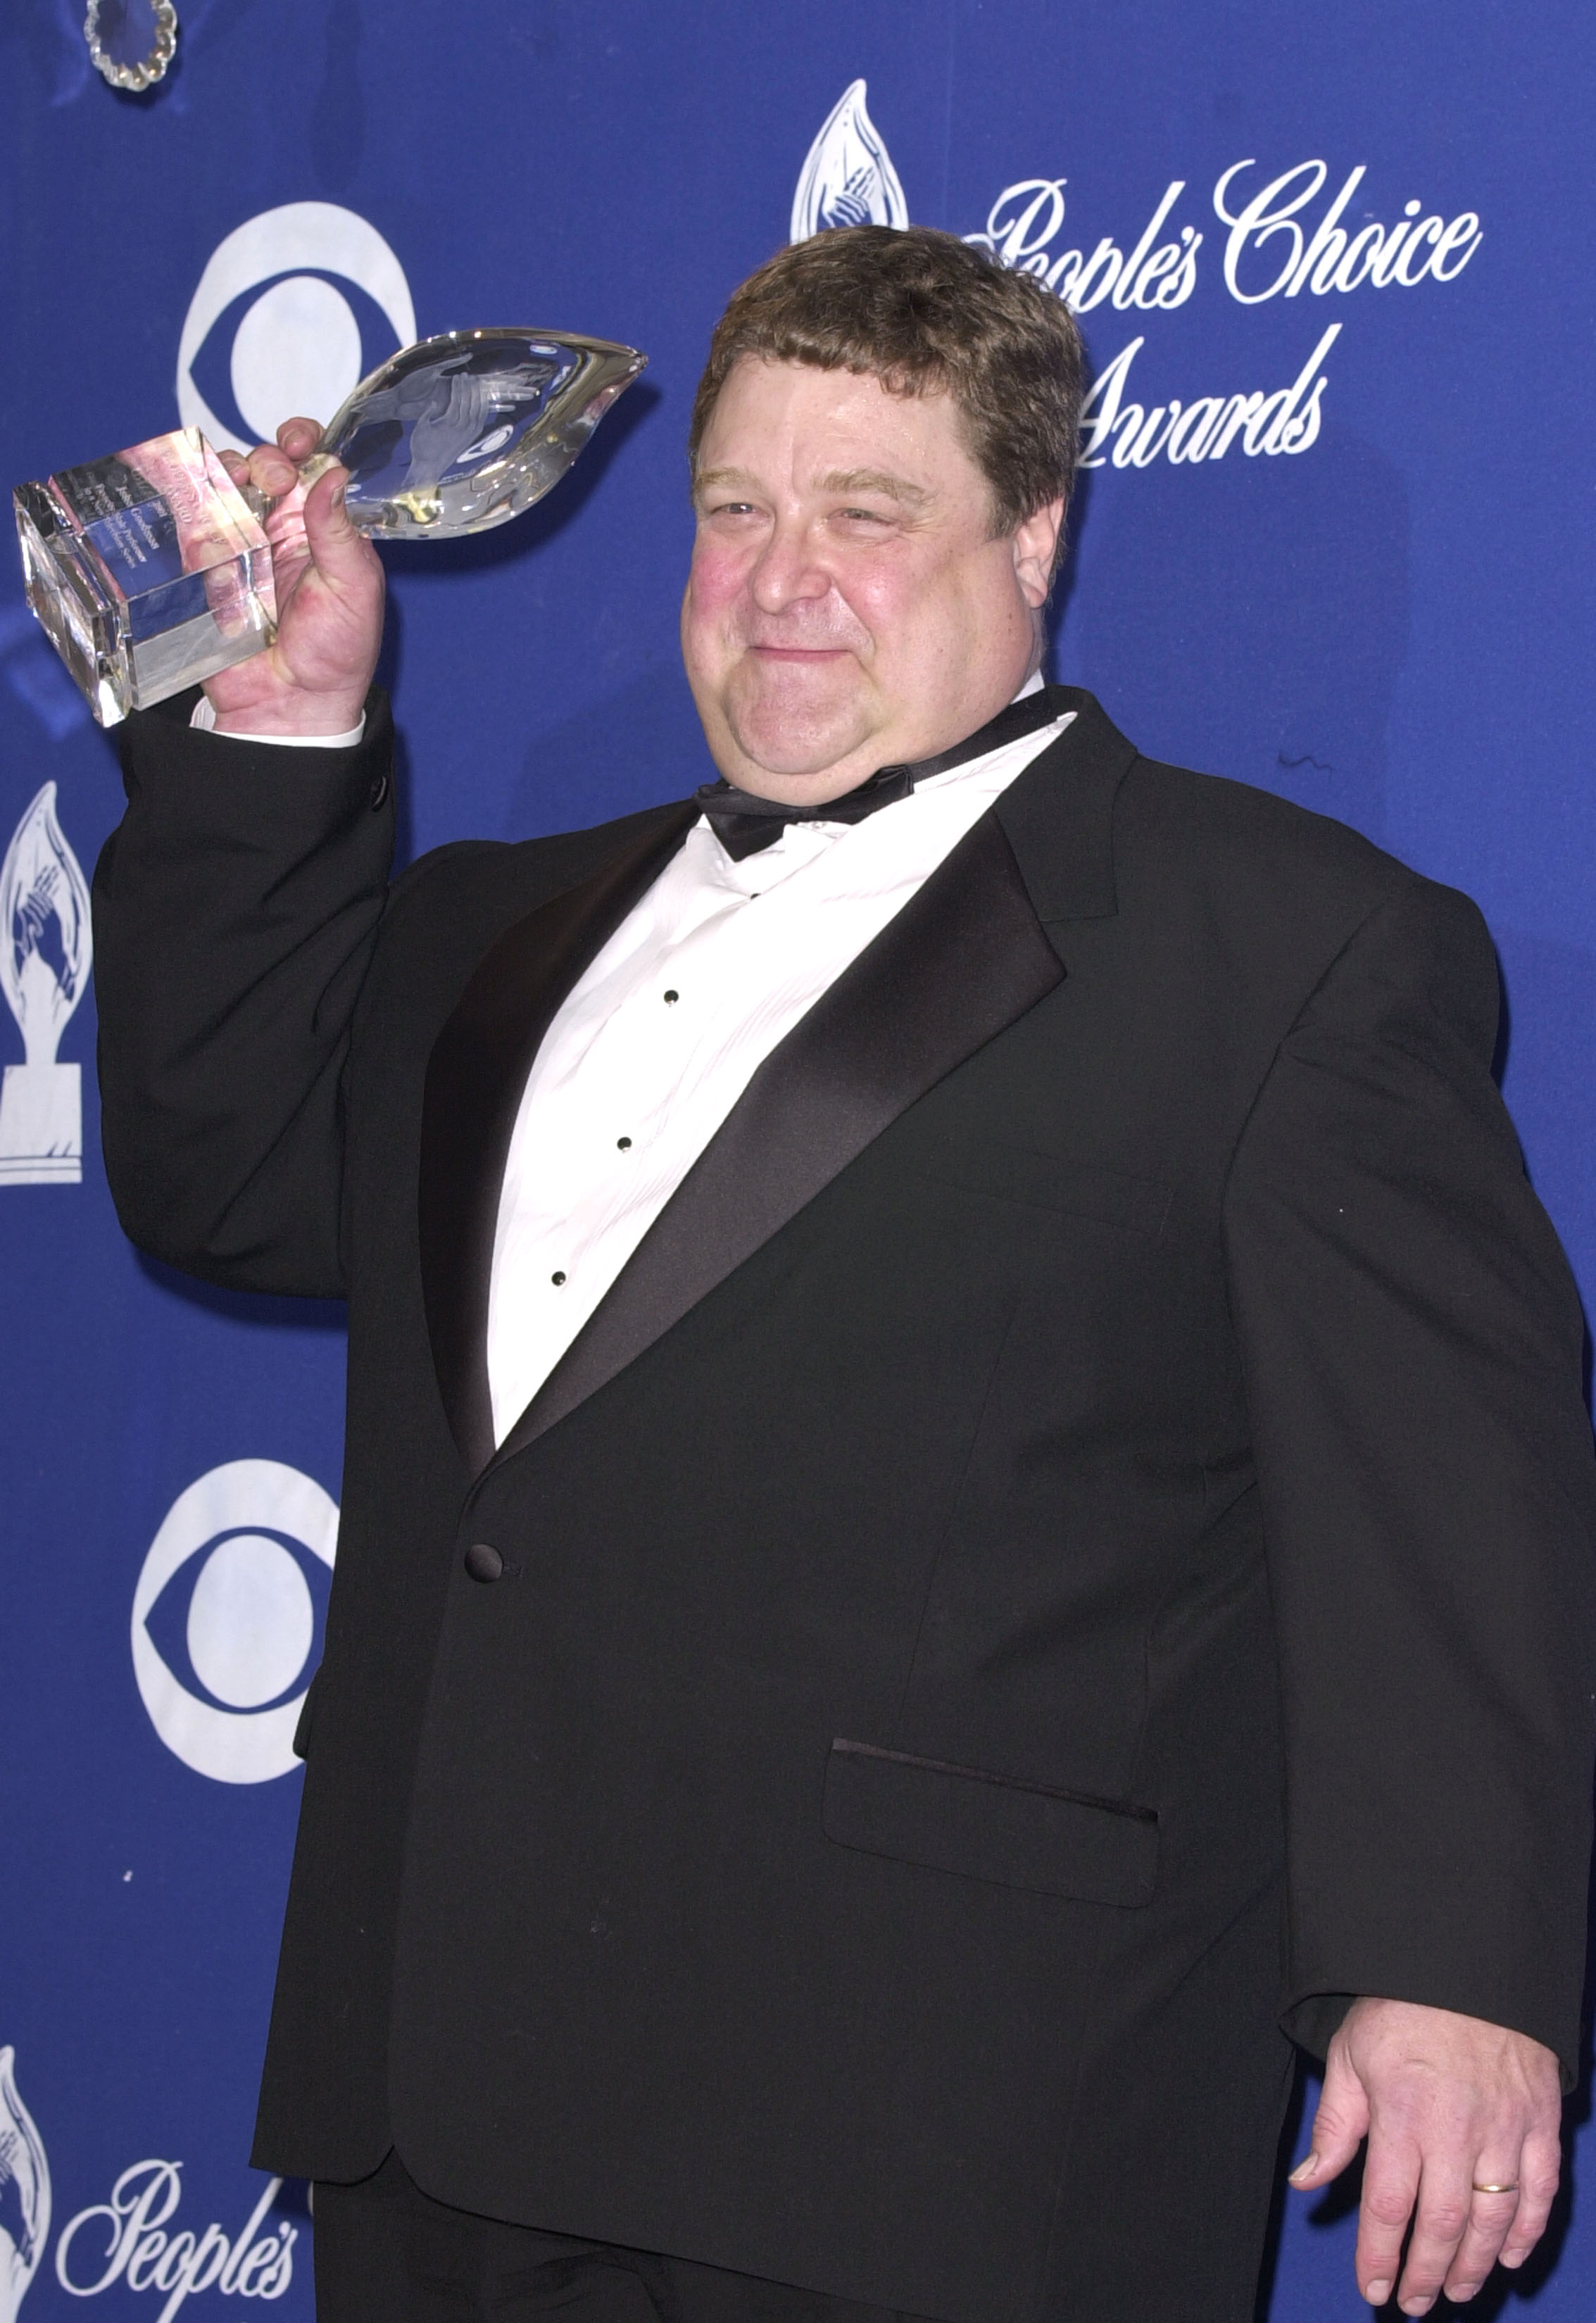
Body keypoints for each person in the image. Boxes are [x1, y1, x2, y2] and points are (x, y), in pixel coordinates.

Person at [92, 226, 1595, 2323]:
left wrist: (1445, 1971)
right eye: (735, 510)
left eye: (866, 512)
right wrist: (276, 736)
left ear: (1035, 537)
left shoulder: (1282, 946)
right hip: (436, 2107)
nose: (781, 578)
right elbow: (222, 1182)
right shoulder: (480, 928)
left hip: (937, 2132)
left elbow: (1445, 1500)